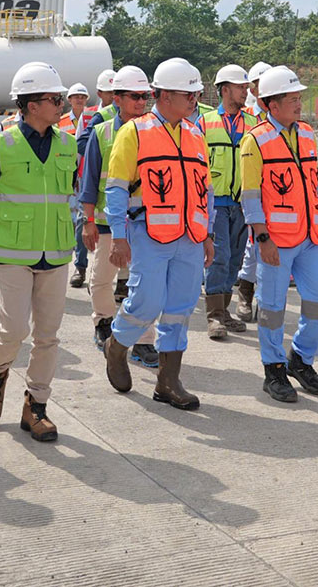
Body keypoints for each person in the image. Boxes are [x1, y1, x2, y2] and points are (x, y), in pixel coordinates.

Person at [101, 58, 214, 409]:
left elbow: (205, 190)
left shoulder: (195, 134)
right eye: (188, 95)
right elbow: (116, 188)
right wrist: (118, 236)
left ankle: (168, 381)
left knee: (181, 309)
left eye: (196, 95)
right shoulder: (134, 132)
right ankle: (117, 345)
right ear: (164, 96)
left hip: (190, 238)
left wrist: (208, 234)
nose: (194, 101)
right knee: (147, 302)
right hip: (148, 233)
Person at [0, 62, 76, 442]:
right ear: (32, 105)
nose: (61, 104)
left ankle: (36, 406)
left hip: (56, 253)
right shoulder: (1, 145)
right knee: (14, 329)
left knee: (48, 336)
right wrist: (11, 229)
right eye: (55, 99)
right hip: (14, 255)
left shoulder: (67, 144)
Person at [241, 66, 318, 402]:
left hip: (311, 237)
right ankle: (274, 369)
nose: (299, 103)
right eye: (292, 99)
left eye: (299, 97)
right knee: (272, 308)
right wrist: (262, 238)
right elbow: (250, 195)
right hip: (276, 240)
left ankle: (301, 360)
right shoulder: (255, 140)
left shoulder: (307, 133)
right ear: (272, 104)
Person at [77, 66, 158, 368]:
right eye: (134, 96)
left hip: (146, 221)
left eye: (144, 96)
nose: (141, 102)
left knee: (144, 283)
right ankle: (104, 323)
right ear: (117, 98)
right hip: (106, 220)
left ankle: (144, 340)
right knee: (102, 278)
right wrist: (87, 221)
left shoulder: (155, 130)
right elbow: (89, 181)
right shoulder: (102, 132)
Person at [200, 64, 258, 339]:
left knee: (235, 259)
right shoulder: (205, 123)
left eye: (246, 87)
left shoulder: (253, 124)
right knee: (219, 256)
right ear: (225, 90)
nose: (246, 91)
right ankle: (213, 316)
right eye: (241, 87)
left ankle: (223, 311)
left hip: (243, 203)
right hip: (216, 203)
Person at [232, 60, 274, 320]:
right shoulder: (246, 115)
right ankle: (245, 294)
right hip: (249, 190)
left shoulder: (281, 114)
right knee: (252, 246)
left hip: (276, 190)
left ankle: (265, 299)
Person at [59, 82, 93, 288]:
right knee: (70, 221)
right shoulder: (60, 121)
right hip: (68, 176)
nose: (79, 100)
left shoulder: (92, 118)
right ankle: (72, 264)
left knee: (81, 221)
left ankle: (81, 267)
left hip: (85, 176)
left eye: (82, 97)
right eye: (76, 97)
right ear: (69, 100)